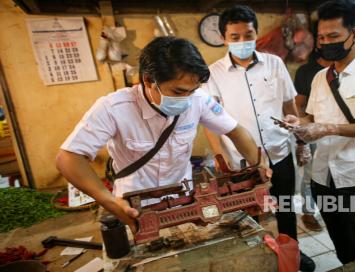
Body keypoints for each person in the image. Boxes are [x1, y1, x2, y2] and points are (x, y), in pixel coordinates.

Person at [56, 36, 270, 233]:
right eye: (178, 92)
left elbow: (236, 131)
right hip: (134, 207)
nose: (186, 99)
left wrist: (259, 165)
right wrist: (110, 202)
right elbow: (68, 158)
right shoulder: (113, 108)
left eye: (192, 91)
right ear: (149, 80)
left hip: (186, 202)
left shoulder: (199, 100)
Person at [283, 0, 355, 264]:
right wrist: (297, 122)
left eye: (333, 36)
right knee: (338, 237)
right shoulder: (320, 77)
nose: (325, 43)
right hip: (323, 174)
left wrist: (329, 129)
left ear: (354, 34)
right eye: (321, 37)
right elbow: (311, 116)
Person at [202, 5, 315, 272]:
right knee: (250, 213)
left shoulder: (275, 64)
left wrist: (297, 133)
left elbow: (290, 106)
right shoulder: (213, 73)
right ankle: (258, 259)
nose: (242, 41)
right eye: (235, 36)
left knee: (286, 208)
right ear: (224, 38)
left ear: (256, 32)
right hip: (242, 163)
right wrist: (221, 158)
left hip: (279, 153)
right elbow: (210, 121)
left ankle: (292, 253)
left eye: (248, 34)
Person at [294, 23, 332, 232]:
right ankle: (309, 212)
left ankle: (337, 212)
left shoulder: (346, 69)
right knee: (310, 175)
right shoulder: (307, 72)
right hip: (314, 131)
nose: (326, 42)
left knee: (335, 176)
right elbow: (299, 104)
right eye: (322, 37)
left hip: (344, 134)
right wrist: (303, 138)